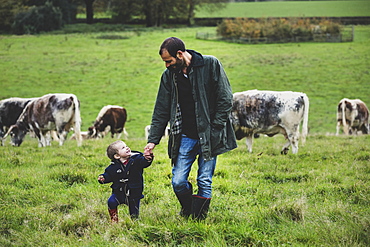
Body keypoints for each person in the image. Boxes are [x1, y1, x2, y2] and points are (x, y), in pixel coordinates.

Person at [144, 37, 237, 220]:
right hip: (184, 136)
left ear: (179, 54)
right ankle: (188, 210)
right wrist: (152, 141)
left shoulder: (210, 64)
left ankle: (197, 221)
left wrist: (215, 128)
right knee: (178, 181)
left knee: (204, 180)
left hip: (209, 135)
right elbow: (161, 109)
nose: (166, 65)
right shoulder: (169, 76)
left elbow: (225, 98)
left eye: (168, 61)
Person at [98, 140, 153, 222]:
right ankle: (114, 220)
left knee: (134, 210)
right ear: (117, 156)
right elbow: (109, 175)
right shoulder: (113, 167)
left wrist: (148, 158)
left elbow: (144, 163)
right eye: (123, 148)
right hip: (119, 192)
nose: (127, 148)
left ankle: (135, 222)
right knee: (111, 202)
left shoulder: (136, 159)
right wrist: (103, 178)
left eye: (126, 146)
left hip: (134, 191)